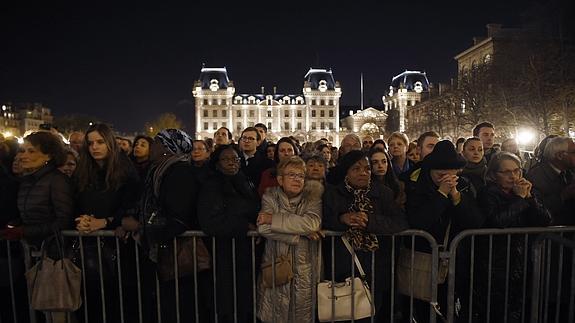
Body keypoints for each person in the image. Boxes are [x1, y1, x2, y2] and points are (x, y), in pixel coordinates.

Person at [323, 150, 408, 322]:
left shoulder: (383, 193)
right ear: (346, 171)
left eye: (367, 169)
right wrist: (342, 219)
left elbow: (400, 222)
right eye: (356, 169)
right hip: (344, 266)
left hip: (376, 267)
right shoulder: (333, 194)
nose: (363, 172)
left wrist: (370, 221)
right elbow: (324, 221)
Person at [406, 140, 484, 322]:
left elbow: (475, 221)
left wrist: (456, 196)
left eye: (452, 173)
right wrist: (441, 194)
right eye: (441, 174)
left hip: (456, 259)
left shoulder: (464, 185)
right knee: (425, 309)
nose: (448, 178)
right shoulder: (416, 185)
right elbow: (419, 221)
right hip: (425, 258)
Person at [137, 128, 210, 322]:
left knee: (180, 305)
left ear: (166, 148)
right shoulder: (162, 170)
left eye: (156, 142)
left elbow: (178, 216)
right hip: (168, 249)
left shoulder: (179, 173)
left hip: (178, 254)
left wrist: (149, 230)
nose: (151, 146)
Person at [1, 131, 74, 323]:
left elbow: (63, 220)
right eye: (22, 150)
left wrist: (24, 231)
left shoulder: (57, 181)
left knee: (57, 311)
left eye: (31, 151)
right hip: (33, 255)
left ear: (48, 155)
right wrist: (16, 225)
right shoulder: (26, 181)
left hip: (54, 255)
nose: (23, 155)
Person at [74, 123, 140, 323]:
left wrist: (105, 222)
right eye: (91, 143)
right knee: (91, 300)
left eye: (100, 142)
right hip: (88, 246)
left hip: (119, 246)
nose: (95, 147)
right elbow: (76, 200)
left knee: (116, 300)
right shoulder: (84, 169)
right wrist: (82, 219)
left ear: (110, 143)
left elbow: (132, 204)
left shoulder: (126, 168)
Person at [476, 152, 551, 322]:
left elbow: (544, 220)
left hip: (521, 259)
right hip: (495, 262)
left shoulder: (525, 191)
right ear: (494, 175)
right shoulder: (487, 193)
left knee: (517, 308)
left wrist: (530, 198)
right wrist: (519, 198)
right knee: (495, 310)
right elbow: (498, 220)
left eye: (517, 171)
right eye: (507, 172)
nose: (513, 176)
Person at [197, 144, 261, 323]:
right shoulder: (212, 186)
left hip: (245, 253)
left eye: (235, 159)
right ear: (217, 164)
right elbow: (210, 221)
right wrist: (244, 226)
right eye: (226, 159)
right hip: (223, 253)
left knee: (245, 300)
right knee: (227, 302)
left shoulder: (245, 181)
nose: (232, 163)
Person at [256, 156, 323, 322]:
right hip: (276, 265)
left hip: (304, 268)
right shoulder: (270, 197)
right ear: (280, 179)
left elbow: (312, 223)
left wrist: (274, 219)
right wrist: (297, 234)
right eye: (291, 175)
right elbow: (263, 227)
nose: (297, 179)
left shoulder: (312, 198)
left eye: (300, 176)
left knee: (301, 314)